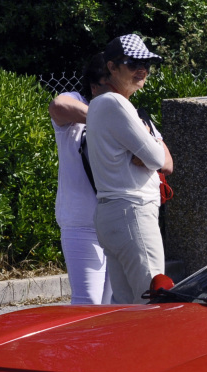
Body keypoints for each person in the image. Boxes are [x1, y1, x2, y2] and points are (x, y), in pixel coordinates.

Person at [85, 34, 174, 304]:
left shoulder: (99, 104)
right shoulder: (116, 103)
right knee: (154, 301)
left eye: (146, 63)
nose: (142, 69)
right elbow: (159, 158)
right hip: (132, 211)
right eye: (133, 62)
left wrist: (146, 151)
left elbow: (152, 158)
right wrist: (152, 143)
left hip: (113, 212)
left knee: (125, 309)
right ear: (111, 67)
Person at [49, 54, 114, 305]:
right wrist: (107, 119)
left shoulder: (129, 111)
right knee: (88, 305)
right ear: (94, 86)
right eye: (109, 87)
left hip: (116, 222)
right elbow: (57, 106)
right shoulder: (77, 102)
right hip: (81, 223)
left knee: (115, 308)